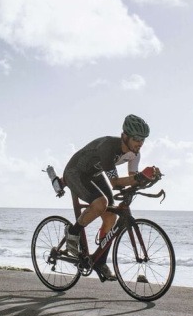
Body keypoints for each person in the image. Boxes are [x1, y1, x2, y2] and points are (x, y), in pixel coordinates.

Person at [62, 114, 161, 281]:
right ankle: (72, 232)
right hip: (75, 172)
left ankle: (99, 262)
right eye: (137, 138)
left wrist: (146, 180)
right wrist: (139, 178)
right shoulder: (109, 147)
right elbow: (115, 183)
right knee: (101, 203)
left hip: (94, 174)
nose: (140, 143)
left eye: (143, 139)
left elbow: (131, 179)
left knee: (111, 216)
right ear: (125, 136)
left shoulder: (135, 154)